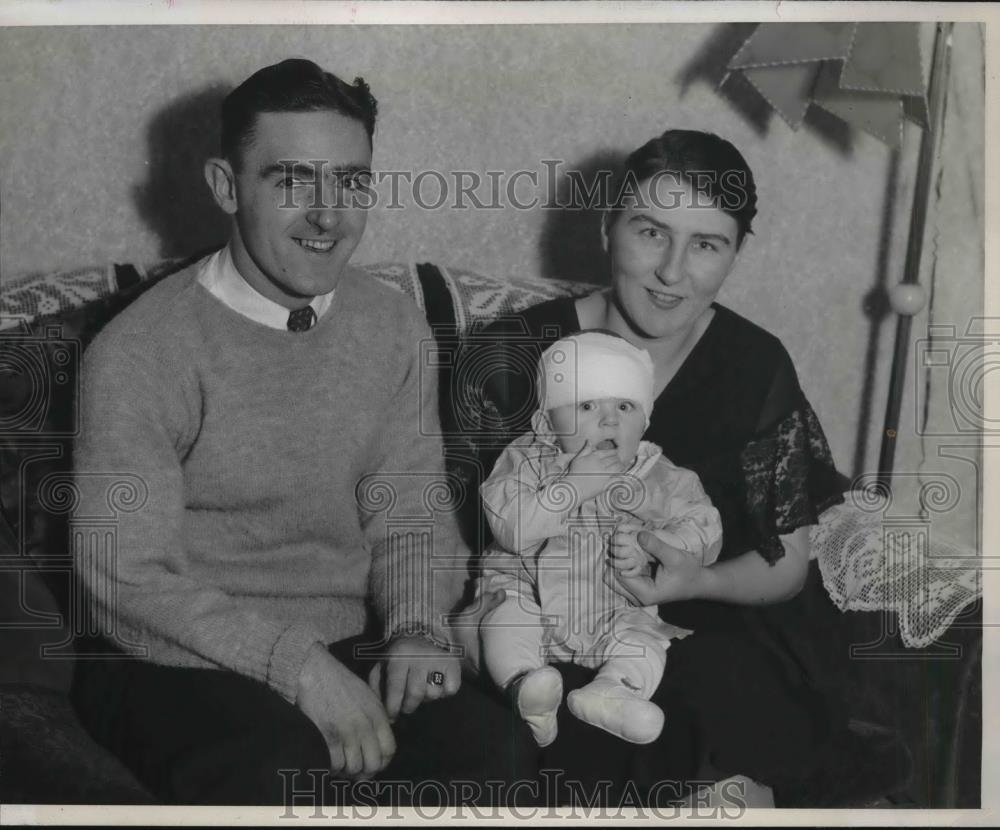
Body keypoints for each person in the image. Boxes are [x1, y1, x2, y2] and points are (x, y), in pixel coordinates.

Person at [70, 58, 534, 806]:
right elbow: (127, 577)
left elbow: (409, 511)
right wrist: (299, 668)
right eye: (293, 180)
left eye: (350, 181)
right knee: (282, 775)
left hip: (348, 640)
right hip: (168, 655)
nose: (329, 215)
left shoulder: (391, 325)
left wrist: (417, 628)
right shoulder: (139, 351)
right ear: (226, 186)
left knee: (493, 750)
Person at [459, 129, 906, 807]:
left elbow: (785, 562)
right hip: (545, 616)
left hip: (713, 629)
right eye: (650, 231)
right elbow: (458, 533)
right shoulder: (513, 354)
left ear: (734, 253)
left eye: (707, 244)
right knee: (563, 720)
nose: (673, 272)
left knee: (717, 700)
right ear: (609, 228)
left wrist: (700, 577)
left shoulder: (755, 365)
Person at [478, 331, 722, 748]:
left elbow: (706, 531)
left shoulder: (659, 475)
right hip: (528, 593)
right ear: (544, 422)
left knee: (645, 642)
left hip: (614, 608)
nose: (609, 420)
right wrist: (572, 487)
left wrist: (655, 543)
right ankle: (525, 684)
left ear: (644, 422)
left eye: (625, 406)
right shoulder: (525, 460)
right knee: (503, 618)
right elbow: (511, 527)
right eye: (587, 405)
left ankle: (614, 690)